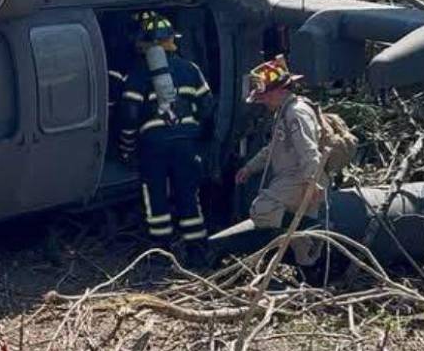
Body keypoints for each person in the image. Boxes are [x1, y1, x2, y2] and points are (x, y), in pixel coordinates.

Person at [118, 14, 215, 262]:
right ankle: (197, 254)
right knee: (188, 197)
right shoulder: (191, 69)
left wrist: (127, 148)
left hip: (153, 147)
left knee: (156, 199)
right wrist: (198, 137)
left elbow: (129, 113)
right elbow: (207, 106)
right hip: (185, 145)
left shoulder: (138, 72)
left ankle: (162, 256)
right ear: (172, 40)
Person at [233, 55, 326, 230]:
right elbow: (273, 148)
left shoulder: (296, 113)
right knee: (303, 251)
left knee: (262, 209)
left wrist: (312, 182)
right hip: (292, 178)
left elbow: (309, 150)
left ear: (281, 91)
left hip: (300, 178)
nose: (264, 101)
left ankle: (312, 227)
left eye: (266, 96)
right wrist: (250, 167)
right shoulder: (283, 113)